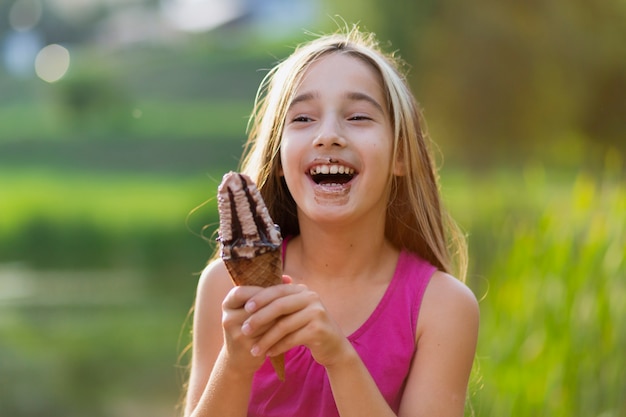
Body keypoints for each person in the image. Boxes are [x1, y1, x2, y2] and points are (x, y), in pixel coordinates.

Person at [183, 26, 479, 417]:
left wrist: (339, 358)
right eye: (303, 118)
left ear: (401, 155)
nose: (328, 136)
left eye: (358, 116)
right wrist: (236, 364)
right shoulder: (226, 286)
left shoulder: (441, 306)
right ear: (280, 157)